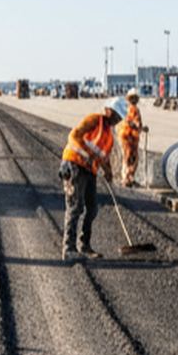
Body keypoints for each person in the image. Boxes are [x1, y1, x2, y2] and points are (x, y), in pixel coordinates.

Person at [60, 97, 128, 261]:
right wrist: (88, 155)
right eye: (116, 116)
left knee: (92, 208)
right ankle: (68, 248)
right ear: (108, 111)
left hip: (90, 170)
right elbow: (74, 136)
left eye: (119, 118)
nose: (117, 120)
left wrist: (108, 172)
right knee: (75, 206)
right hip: (74, 165)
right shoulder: (94, 120)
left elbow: (104, 157)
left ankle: (84, 245)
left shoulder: (109, 136)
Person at [118, 90, 148, 186]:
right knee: (132, 158)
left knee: (127, 157)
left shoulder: (126, 108)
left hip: (124, 135)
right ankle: (128, 178)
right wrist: (142, 128)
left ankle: (126, 177)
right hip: (130, 137)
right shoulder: (134, 109)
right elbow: (134, 123)